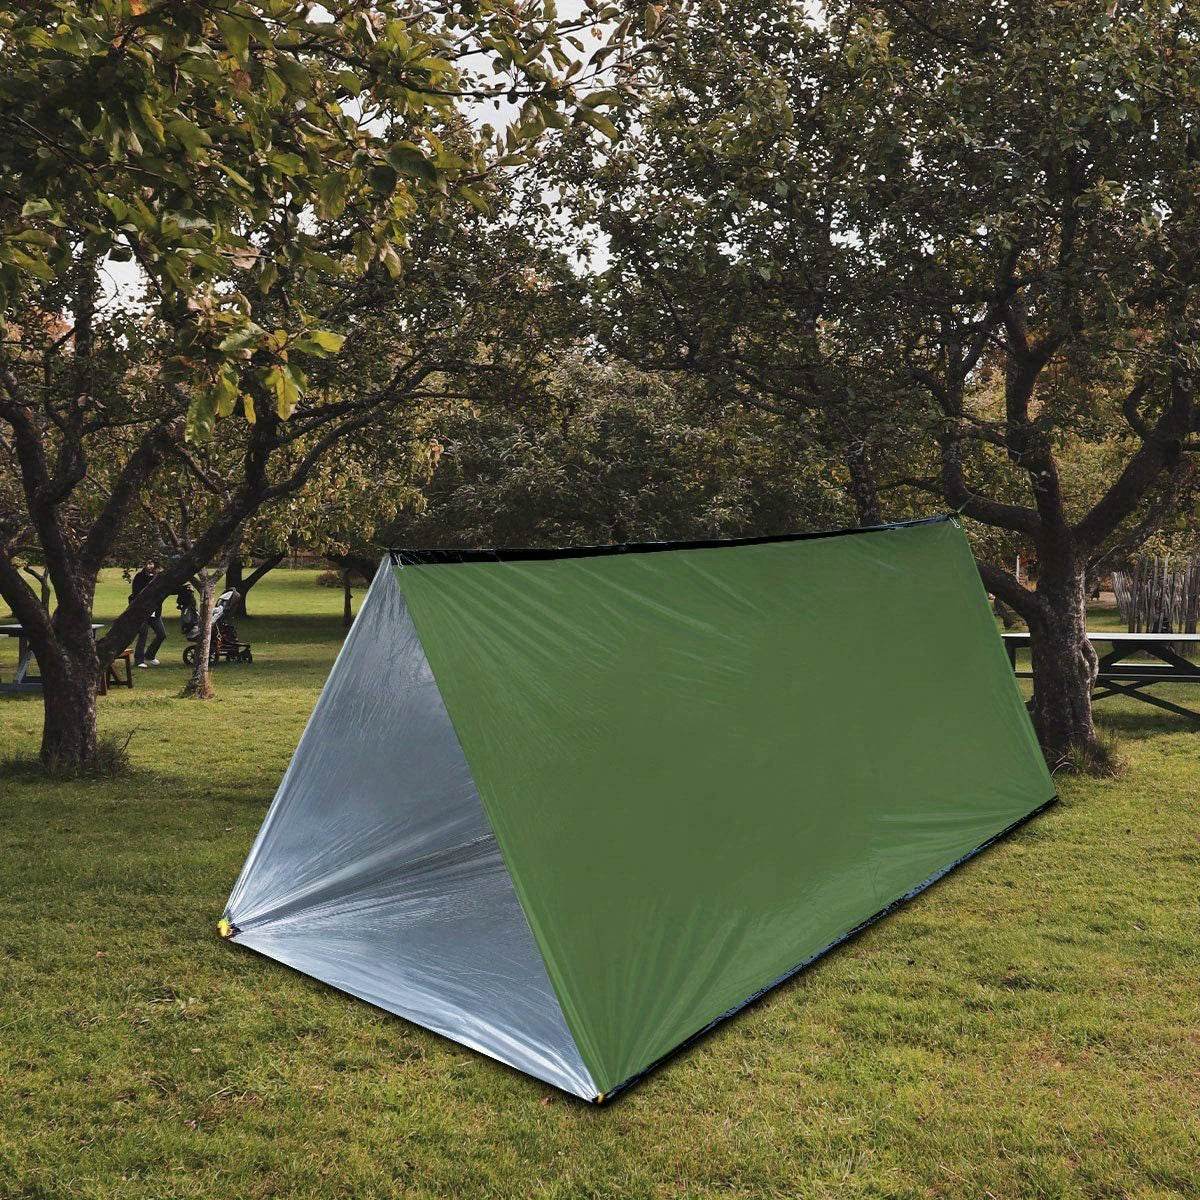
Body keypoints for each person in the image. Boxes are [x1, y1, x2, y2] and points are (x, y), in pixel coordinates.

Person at [130, 560, 166, 667]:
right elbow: (137, 592)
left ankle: (150, 655)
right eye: (148, 564)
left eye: (152, 564)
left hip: (154, 610)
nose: (150, 566)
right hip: (141, 610)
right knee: (143, 633)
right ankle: (139, 660)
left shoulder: (158, 577)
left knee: (161, 634)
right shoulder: (139, 577)